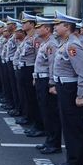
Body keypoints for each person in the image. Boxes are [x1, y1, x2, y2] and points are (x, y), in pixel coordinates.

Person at [50, 11, 83, 165]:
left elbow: (82, 73)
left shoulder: (73, 45)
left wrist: (80, 95)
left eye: (58, 24)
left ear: (67, 27)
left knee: (74, 127)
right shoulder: (63, 43)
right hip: (64, 87)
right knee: (67, 126)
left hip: (71, 90)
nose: (55, 27)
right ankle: (70, 160)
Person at [33, 17, 62, 154]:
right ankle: (49, 140)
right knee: (44, 111)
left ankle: (54, 143)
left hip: (47, 82)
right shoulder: (45, 43)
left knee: (51, 113)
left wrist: (52, 83)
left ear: (47, 29)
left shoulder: (52, 44)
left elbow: (52, 65)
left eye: (40, 27)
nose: (37, 29)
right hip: (40, 79)